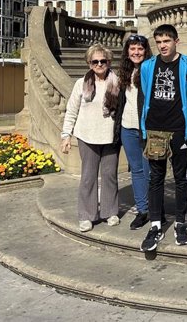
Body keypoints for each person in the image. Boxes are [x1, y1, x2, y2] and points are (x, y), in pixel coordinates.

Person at [139, 24, 187, 252]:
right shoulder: (147, 66)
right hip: (155, 130)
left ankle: (180, 222)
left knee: (181, 179)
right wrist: (145, 127)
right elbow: (146, 95)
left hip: (179, 131)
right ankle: (155, 225)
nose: (163, 45)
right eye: (159, 42)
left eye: (167, 41)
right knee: (155, 178)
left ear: (176, 41)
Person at [61, 43, 120, 233]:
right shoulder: (81, 84)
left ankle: (110, 211)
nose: (100, 64)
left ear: (109, 61)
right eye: (95, 61)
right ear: (89, 63)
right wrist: (66, 135)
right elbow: (71, 110)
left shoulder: (117, 81)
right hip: (87, 136)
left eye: (103, 60)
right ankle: (87, 215)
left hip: (110, 136)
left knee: (110, 176)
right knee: (88, 177)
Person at [115, 34, 153, 230]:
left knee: (150, 171)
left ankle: (155, 210)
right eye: (132, 49)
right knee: (137, 171)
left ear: (145, 51)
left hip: (146, 129)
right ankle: (142, 210)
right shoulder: (124, 73)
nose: (136, 52)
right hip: (127, 128)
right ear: (127, 52)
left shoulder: (151, 70)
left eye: (140, 49)